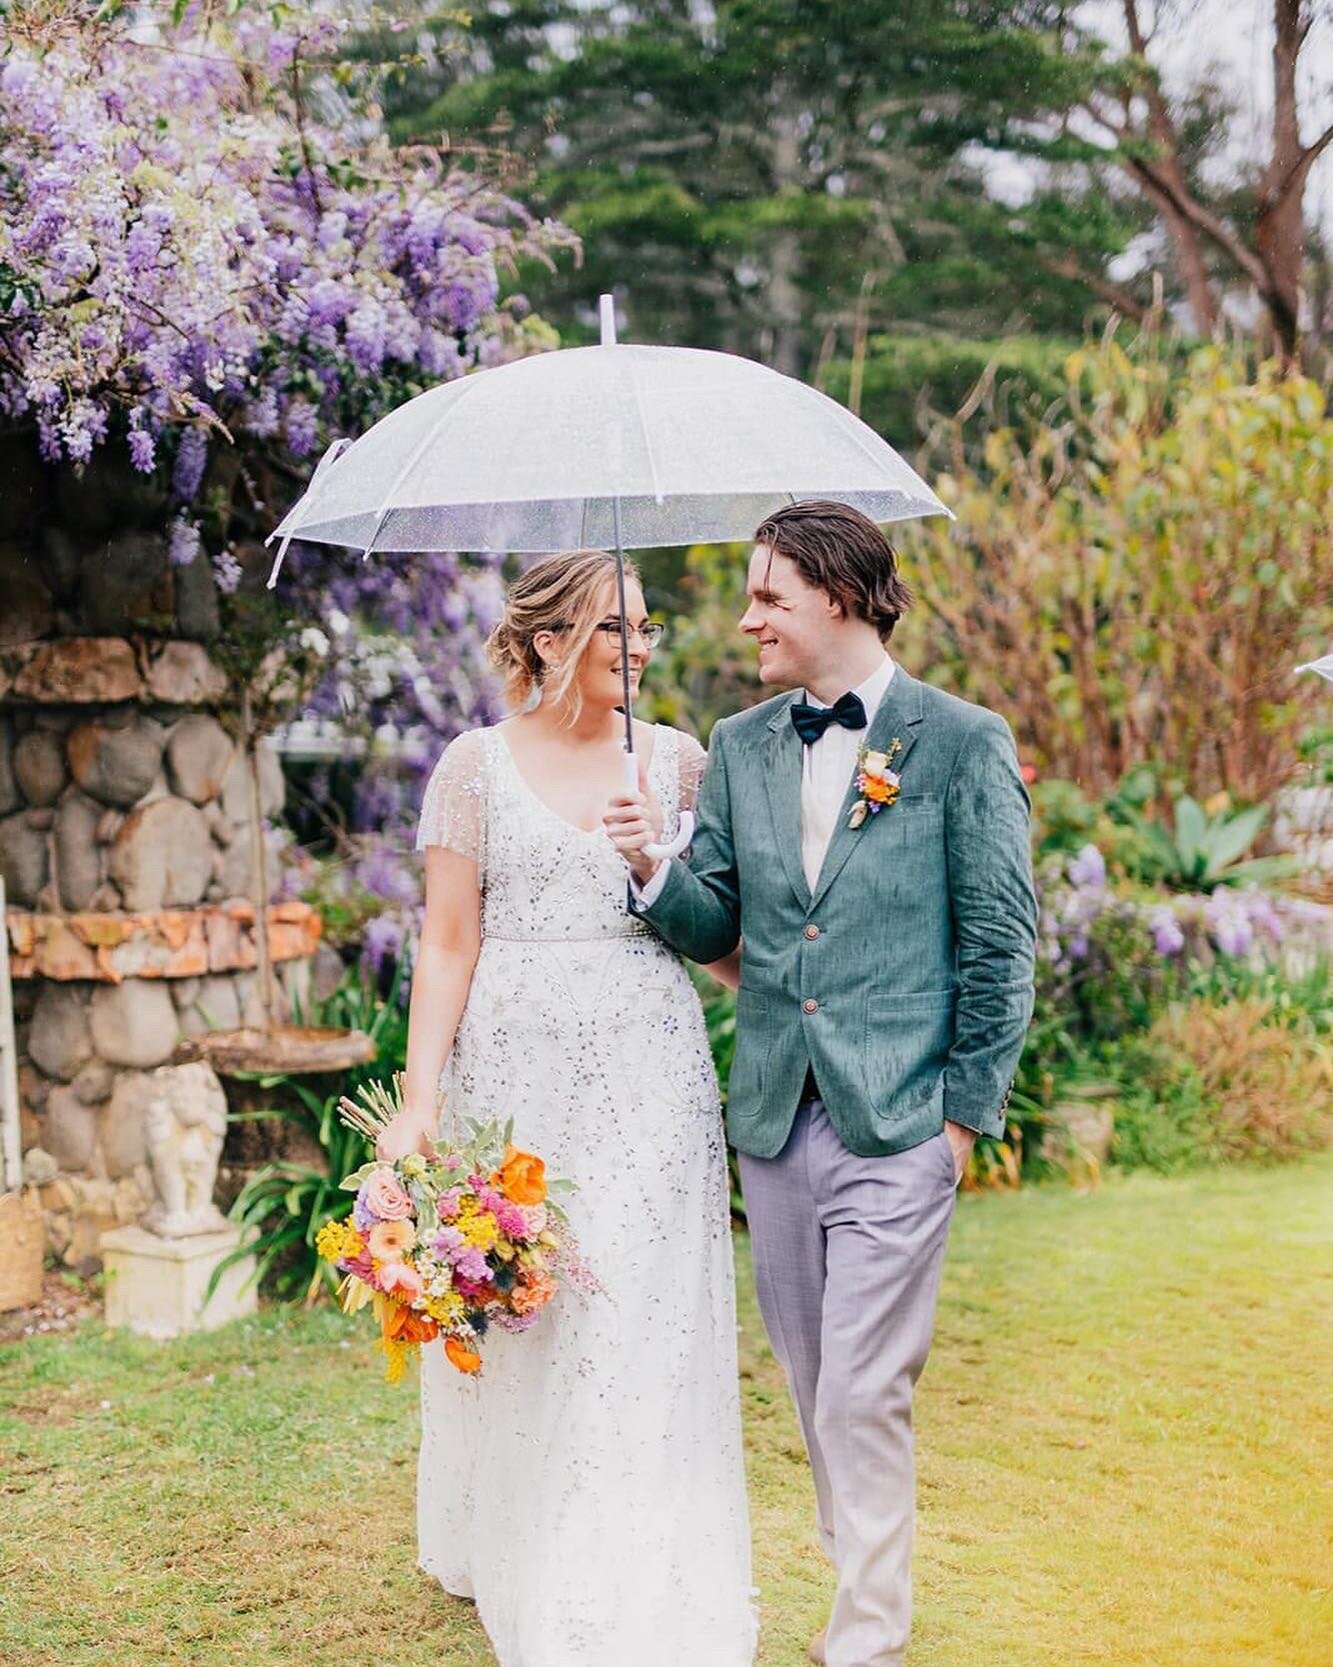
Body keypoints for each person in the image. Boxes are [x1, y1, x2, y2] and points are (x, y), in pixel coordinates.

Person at [607, 501, 1037, 1667]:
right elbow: (716, 922)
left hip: (899, 1119)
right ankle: (864, 1579)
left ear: (839, 596)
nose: (747, 617)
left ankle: (866, 1634)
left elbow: (1001, 942)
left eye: (768, 596)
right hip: (773, 1119)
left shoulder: (959, 740)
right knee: (813, 1383)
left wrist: (958, 1120)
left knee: (860, 1388)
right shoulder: (740, 742)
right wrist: (653, 863)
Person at [375, 548, 756, 1667]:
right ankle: (519, 1531)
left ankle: (627, 1546)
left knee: (639, 1299)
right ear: (546, 640)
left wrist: (656, 860)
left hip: (649, 1063)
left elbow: (722, 937)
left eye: (644, 629)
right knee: (534, 1301)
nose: (638, 648)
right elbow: (447, 943)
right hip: (514, 1070)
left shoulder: (679, 764)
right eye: (612, 630)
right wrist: (419, 1099)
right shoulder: (473, 766)